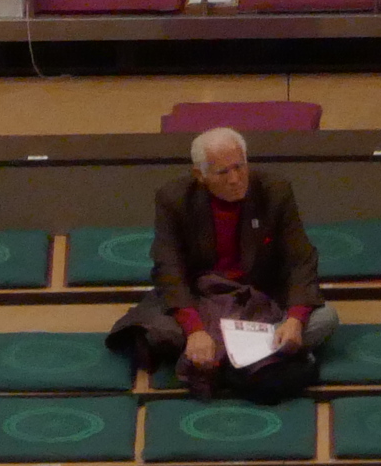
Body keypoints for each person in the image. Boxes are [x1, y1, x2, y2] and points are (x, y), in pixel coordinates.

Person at [108, 128, 331, 400]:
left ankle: (218, 359)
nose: (235, 179)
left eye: (240, 167)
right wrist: (195, 330)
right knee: (160, 330)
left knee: (324, 318)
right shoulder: (173, 198)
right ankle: (257, 358)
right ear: (199, 175)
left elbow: (300, 260)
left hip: (260, 297)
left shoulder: (275, 191)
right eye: (222, 172)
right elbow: (169, 268)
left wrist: (295, 319)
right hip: (202, 297)